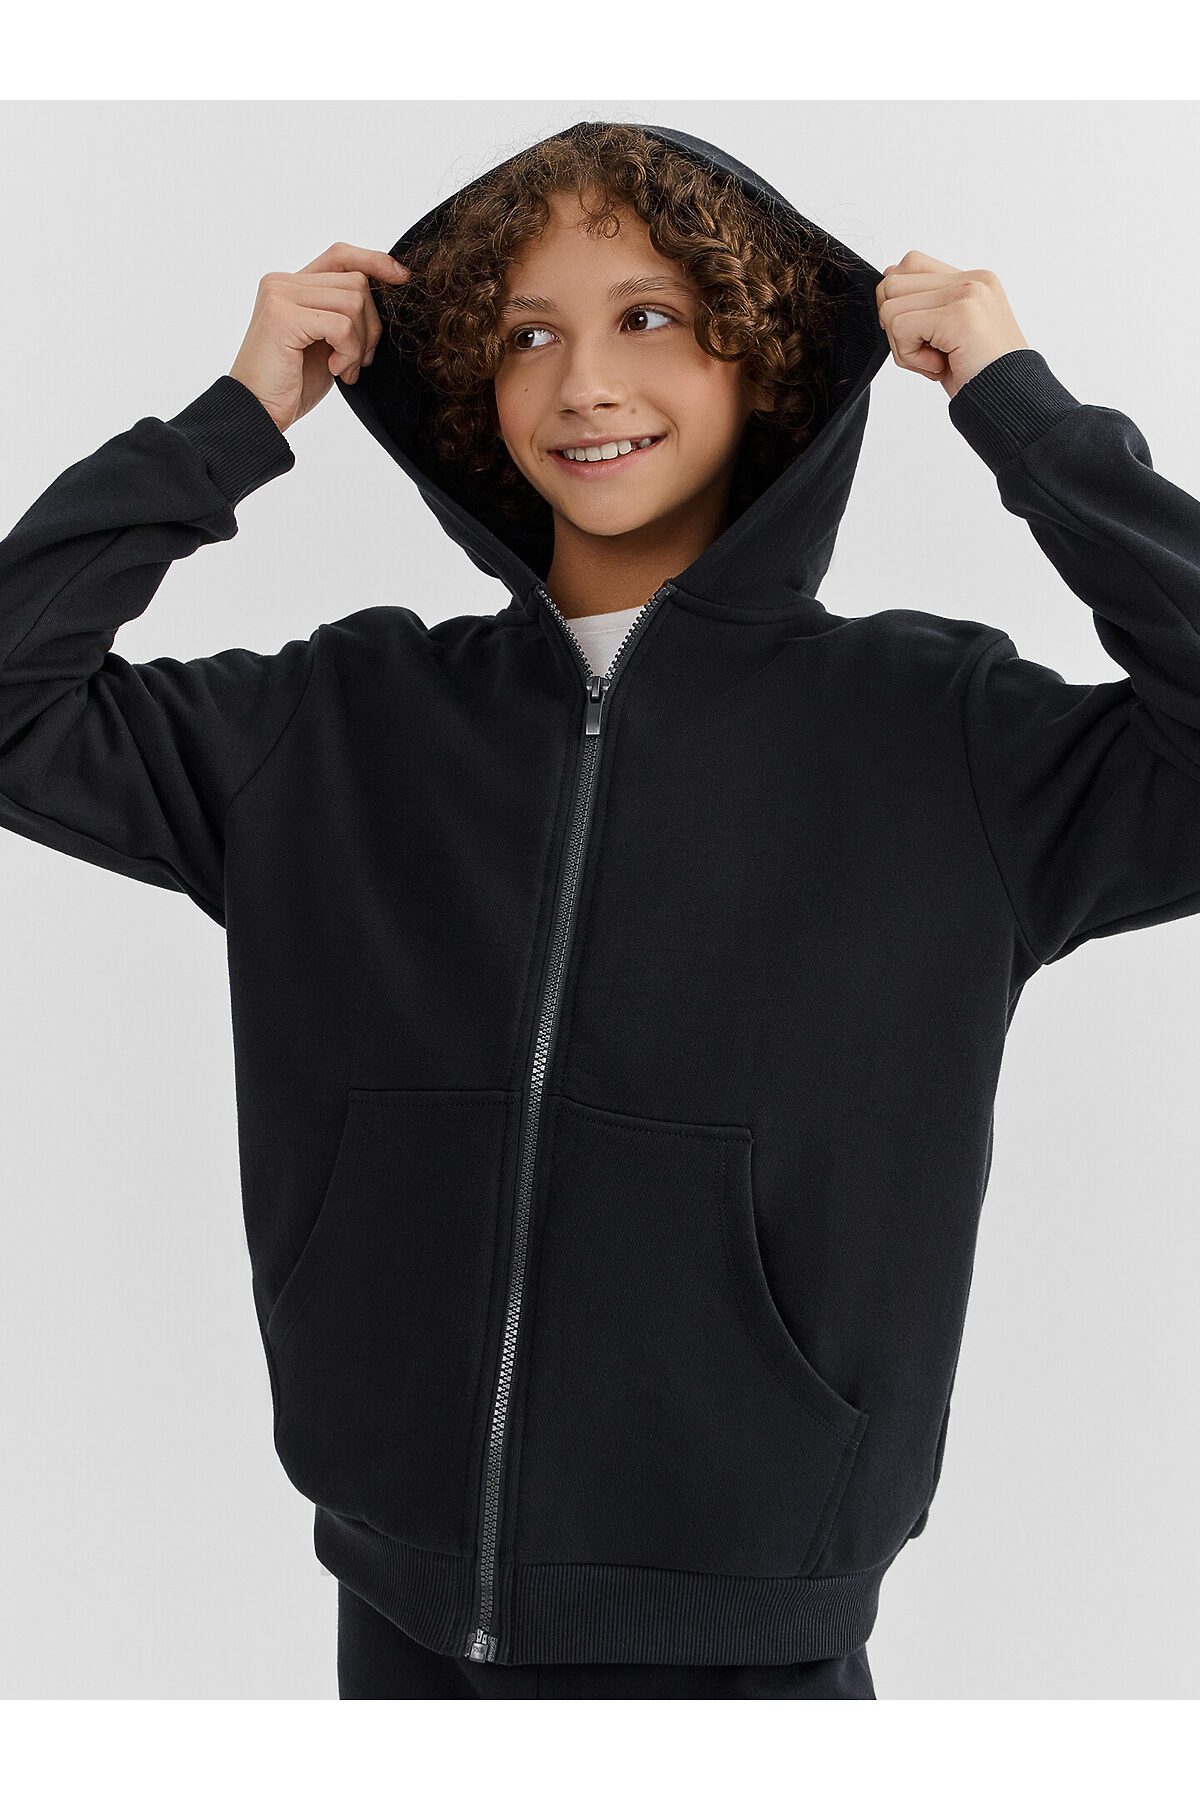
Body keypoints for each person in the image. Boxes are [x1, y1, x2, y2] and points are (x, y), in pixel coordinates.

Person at [2, 119, 1197, 1702]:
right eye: (527, 334)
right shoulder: (340, 721)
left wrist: (1022, 414)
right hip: (402, 1622)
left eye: (647, 318)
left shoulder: (944, 737)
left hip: (754, 1646)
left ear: (760, 357)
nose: (583, 384)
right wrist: (232, 422)